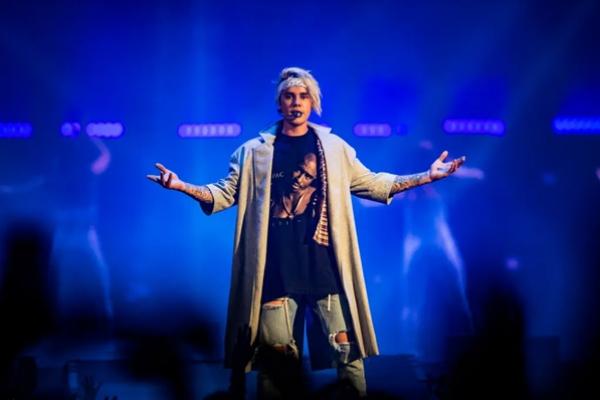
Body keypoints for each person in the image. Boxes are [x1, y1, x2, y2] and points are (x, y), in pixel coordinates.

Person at [147, 67, 465, 397]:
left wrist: (426, 177)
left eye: (303, 96)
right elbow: (224, 193)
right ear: (279, 103)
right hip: (276, 273)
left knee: (349, 356)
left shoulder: (334, 148)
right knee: (275, 364)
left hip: (326, 270)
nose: (296, 102)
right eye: (289, 96)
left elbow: (374, 183)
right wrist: (182, 186)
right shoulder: (253, 152)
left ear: (313, 102)